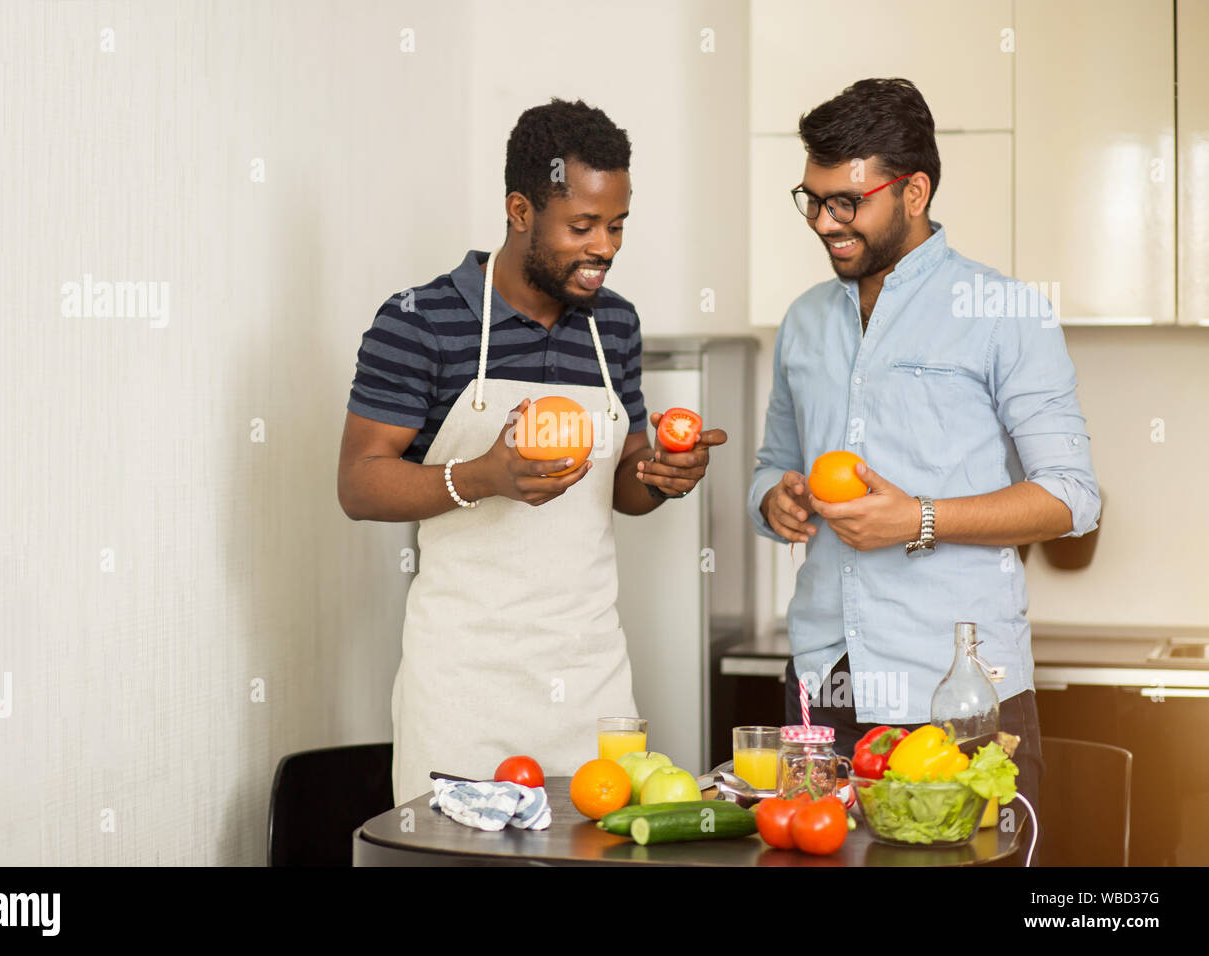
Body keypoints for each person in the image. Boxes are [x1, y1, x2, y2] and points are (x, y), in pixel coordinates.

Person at [747, 79, 1100, 858]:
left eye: (847, 201)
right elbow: (772, 464)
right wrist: (774, 499)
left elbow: (1073, 499)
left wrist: (921, 519)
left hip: (960, 699)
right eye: (811, 199)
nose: (823, 223)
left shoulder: (1006, 312)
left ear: (914, 190)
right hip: (824, 689)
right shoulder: (804, 321)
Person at [339, 98, 727, 806]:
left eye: (616, 225)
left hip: (591, 681)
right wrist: (484, 477)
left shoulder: (615, 323)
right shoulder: (420, 321)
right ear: (520, 211)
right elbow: (360, 486)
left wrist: (665, 474)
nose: (604, 246)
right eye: (582, 226)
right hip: (463, 691)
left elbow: (623, 488)